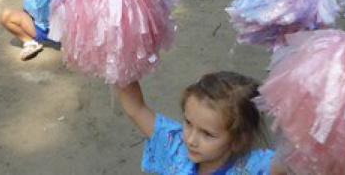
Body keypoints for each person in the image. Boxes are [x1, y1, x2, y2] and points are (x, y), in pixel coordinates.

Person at [115, 71, 281, 174]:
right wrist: (119, 59)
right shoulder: (175, 144)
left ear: (238, 140)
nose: (191, 140)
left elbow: (299, 160)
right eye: (188, 123)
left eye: (207, 134)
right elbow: (136, 109)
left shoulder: (257, 166)